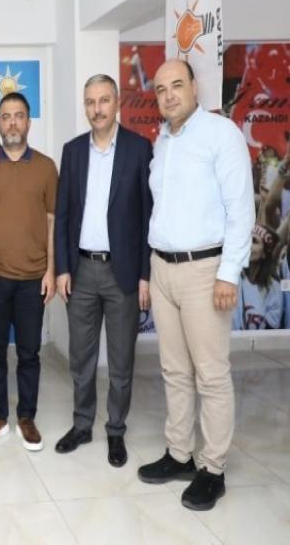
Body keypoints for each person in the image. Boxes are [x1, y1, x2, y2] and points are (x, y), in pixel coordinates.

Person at [137, 59, 255, 512]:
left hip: (205, 271)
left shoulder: (220, 134)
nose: (168, 95)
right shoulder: (164, 141)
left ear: (193, 87)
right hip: (163, 267)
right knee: (174, 369)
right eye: (160, 89)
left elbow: (241, 209)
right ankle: (180, 453)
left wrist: (228, 272)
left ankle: (213, 468)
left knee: (211, 373)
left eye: (176, 85)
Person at [53, 74, 153, 467]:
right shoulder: (73, 151)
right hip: (81, 270)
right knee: (81, 357)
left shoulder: (138, 149)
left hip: (122, 273)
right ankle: (82, 424)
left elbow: (147, 218)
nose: (97, 109)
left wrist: (145, 274)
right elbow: (63, 214)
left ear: (117, 103)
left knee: (121, 360)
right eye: (90, 102)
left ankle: (115, 430)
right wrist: (63, 267)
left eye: (104, 101)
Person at [0, 91, 57, 452]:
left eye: (19, 116)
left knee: (29, 353)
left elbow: (52, 221)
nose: (12, 123)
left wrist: (51, 270)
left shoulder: (46, 167)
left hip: (32, 279)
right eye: (6, 116)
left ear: (28, 122)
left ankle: (27, 416)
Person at [231, 224, 282, 330]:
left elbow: (271, 329)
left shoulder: (274, 288)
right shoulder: (232, 278)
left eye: (254, 241)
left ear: (264, 253)